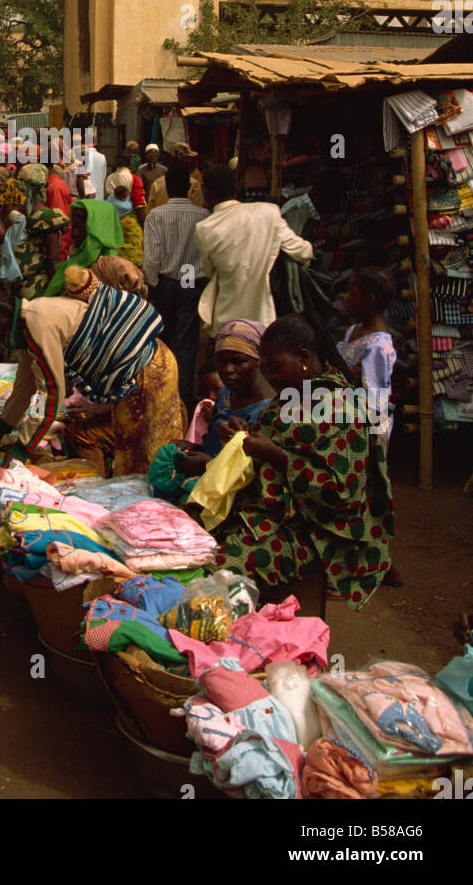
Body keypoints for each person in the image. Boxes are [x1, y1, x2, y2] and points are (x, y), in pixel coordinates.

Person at [211, 314, 394, 609]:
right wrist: (240, 437)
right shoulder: (293, 396)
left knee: (225, 571)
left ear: (304, 357)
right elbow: (269, 440)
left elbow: (339, 492)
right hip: (273, 514)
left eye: (276, 368)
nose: (270, 377)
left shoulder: (341, 408)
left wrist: (276, 455)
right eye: (267, 369)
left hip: (317, 530)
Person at [0, 280, 184, 475]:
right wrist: (0, 431)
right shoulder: (27, 325)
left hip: (147, 370)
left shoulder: (37, 325)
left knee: (144, 451)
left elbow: (50, 395)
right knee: (132, 449)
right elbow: (25, 388)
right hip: (139, 369)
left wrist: (20, 449)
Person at [149, 319, 272, 504]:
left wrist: (208, 466)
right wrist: (194, 448)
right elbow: (214, 444)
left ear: (258, 361)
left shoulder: (269, 409)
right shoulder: (226, 394)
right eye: (221, 362)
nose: (228, 370)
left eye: (239, 362)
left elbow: (254, 474)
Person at [337, 267, 401, 587]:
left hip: (366, 430)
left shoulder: (377, 346)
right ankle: (379, 563)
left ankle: (367, 566)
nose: (347, 299)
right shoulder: (353, 333)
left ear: (370, 299)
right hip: (347, 424)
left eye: (353, 293)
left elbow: (374, 399)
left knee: (361, 496)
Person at [195, 164, 313, 334]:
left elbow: (208, 270)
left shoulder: (204, 228)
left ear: (208, 193)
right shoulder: (268, 212)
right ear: (235, 188)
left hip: (226, 322)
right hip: (263, 322)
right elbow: (303, 251)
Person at [142, 163, 209, 410]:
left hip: (165, 284)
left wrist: (152, 285)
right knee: (187, 343)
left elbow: (151, 257)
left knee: (161, 341)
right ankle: (181, 402)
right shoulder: (204, 216)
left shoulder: (156, 216)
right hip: (192, 281)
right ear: (190, 189)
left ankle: (158, 395)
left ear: (167, 188)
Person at [0, 164, 68, 300]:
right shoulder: (48, 217)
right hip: (37, 288)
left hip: (14, 285)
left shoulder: (13, 215)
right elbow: (53, 260)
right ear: (45, 186)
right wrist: (58, 292)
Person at [44, 197, 140, 297]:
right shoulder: (72, 263)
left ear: (100, 232)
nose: (75, 234)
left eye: (83, 229)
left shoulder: (115, 274)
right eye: (74, 227)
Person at [104, 161, 144, 267]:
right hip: (131, 223)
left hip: (113, 222)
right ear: (129, 164)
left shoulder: (109, 178)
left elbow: (107, 197)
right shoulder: (133, 178)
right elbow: (138, 201)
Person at [145, 142, 201, 212]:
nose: (191, 161)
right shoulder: (194, 184)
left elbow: (149, 214)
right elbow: (198, 211)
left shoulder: (157, 184)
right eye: (189, 158)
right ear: (183, 160)